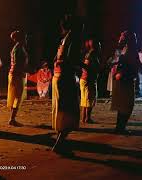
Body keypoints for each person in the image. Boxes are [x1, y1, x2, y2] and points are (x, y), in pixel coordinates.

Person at [52, 15, 81, 153]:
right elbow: (70, 59)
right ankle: (60, 143)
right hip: (66, 77)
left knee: (63, 108)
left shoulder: (64, 40)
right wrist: (80, 67)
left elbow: (57, 59)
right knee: (69, 110)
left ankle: (60, 142)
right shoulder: (73, 39)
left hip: (59, 76)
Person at [111, 31, 140, 134]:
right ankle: (120, 128)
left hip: (123, 78)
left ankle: (119, 128)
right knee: (126, 105)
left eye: (121, 36)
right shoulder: (129, 49)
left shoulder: (125, 49)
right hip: (125, 79)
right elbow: (130, 64)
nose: (120, 37)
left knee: (122, 105)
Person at [7, 30, 29, 126]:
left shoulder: (18, 47)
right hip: (17, 74)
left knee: (15, 96)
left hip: (16, 74)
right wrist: (26, 70)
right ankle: (12, 119)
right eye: (25, 37)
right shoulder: (18, 48)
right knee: (17, 97)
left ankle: (12, 118)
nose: (26, 39)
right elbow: (17, 64)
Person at [80, 38, 100, 124]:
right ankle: (87, 118)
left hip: (85, 78)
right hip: (89, 79)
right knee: (89, 99)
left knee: (85, 99)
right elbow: (87, 66)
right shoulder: (92, 54)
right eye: (99, 44)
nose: (100, 45)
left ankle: (84, 117)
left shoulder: (88, 54)